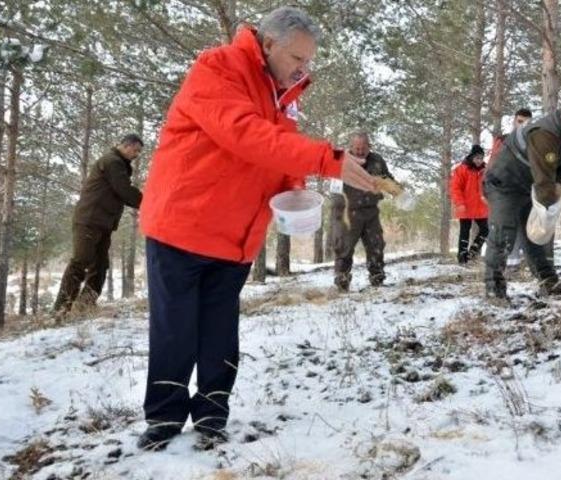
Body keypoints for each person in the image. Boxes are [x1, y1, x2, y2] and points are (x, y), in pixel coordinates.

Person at [136, 7, 376, 451]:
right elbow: (244, 134)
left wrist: (296, 189)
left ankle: (212, 413)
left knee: (220, 330)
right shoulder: (218, 68)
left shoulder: (284, 92)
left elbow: (277, 154)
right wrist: (326, 159)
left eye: (308, 62)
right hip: (183, 225)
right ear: (268, 44)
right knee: (175, 328)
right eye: (297, 59)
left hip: (237, 235)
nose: (303, 69)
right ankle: (165, 417)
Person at [483, 98, 561, 300]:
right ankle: (494, 289)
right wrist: (552, 198)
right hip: (504, 184)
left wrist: (559, 187)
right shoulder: (545, 134)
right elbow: (544, 183)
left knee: (535, 236)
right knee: (503, 234)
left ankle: (548, 284)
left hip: (528, 186)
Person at [52, 134, 143, 316]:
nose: (137, 155)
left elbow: (121, 191)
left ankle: (85, 305)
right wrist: (151, 203)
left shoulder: (118, 164)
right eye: (136, 150)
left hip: (102, 222)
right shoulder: (112, 162)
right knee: (81, 261)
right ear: (126, 146)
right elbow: (124, 190)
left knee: (100, 265)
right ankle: (60, 309)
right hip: (89, 220)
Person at [333, 132, 396, 291]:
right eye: (357, 148)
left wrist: (397, 191)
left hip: (370, 211)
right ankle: (342, 280)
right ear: (351, 146)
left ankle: (377, 278)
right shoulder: (340, 160)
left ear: (369, 146)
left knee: (376, 245)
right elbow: (333, 185)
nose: (360, 151)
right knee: (344, 248)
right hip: (349, 212)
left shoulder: (377, 160)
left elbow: (386, 179)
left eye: (363, 148)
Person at [450, 144, 489, 264]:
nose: (479, 160)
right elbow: (455, 188)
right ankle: (462, 257)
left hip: (481, 206)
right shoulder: (461, 169)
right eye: (477, 158)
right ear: (472, 157)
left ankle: (473, 252)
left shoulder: (486, 170)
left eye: (481, 158)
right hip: (465, 206)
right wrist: (459, 203)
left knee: (486, 229)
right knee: (465, 231)